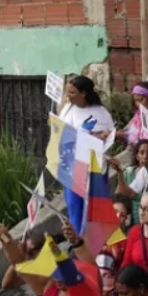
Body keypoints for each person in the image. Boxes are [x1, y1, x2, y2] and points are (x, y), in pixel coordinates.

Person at [56, 76, 116, 234]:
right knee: (74, 207)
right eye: (67, 91)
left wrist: (101, 136)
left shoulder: (100, 113)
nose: (67, 95)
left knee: (94, 207)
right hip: (73, 166)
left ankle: (95, 243)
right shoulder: (67, 110)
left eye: (72, 92)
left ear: (83, 93)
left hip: (94, 168)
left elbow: (110, 134)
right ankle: (78, 242)